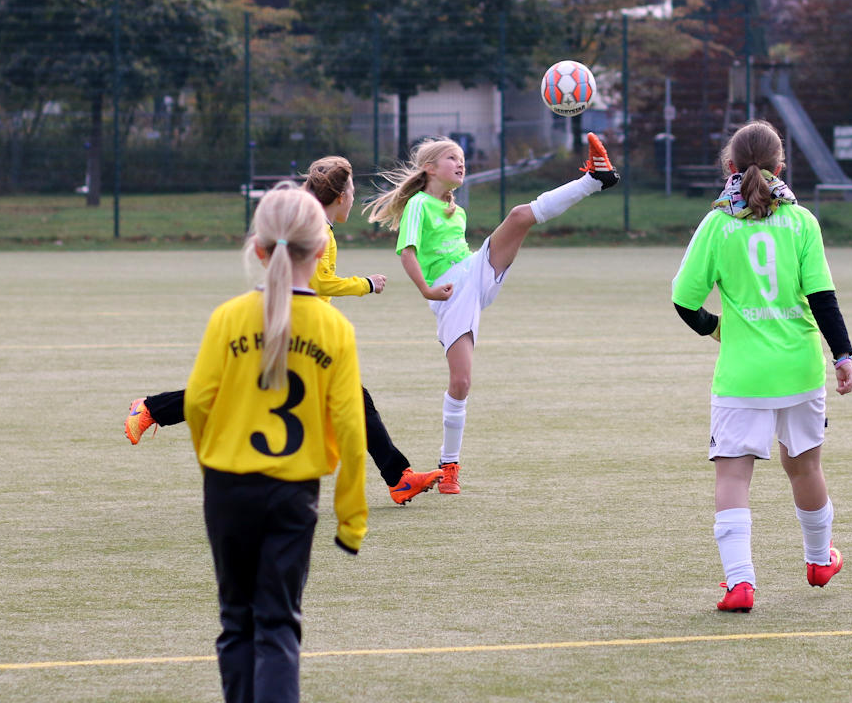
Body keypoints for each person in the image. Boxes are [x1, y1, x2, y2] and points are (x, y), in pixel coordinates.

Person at [125, 156, 444, 506]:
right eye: (352, 191)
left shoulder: (315, 223)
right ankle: (153, 409)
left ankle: (399, 478)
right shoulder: (318, 229)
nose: (354, 198)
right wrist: (365, 284)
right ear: (340, 197)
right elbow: (319, 280)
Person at [185, 183, 367, 703]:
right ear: (320, 250)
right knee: (278, 625)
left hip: (228, 486)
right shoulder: (335, 329)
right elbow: (352, 430)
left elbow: (198, 402)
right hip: (293, 492)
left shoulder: (228, 318)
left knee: (235, 622)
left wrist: (215, 460)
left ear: (260, 250)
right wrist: (351, 518)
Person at [364, 134, 619, 494]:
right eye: (452, 157)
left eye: (462, 158)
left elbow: (456, 252)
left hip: (471, 274)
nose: (461, 163)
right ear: (430, 168)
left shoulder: (458, 210)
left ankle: (594, 180)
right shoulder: (419, 204)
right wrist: (426, 290)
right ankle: (448, 464)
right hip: (450, 292)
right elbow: (407, 253)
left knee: (518, 216)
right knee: (461, 383)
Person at [671, 120, 852, 613]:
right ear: (781, 166)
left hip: (742, 375)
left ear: (729, 167)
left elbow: (683, 299)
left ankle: (740, 584)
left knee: (733, 478)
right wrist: (842, 354)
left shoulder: (716, 223)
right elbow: (822, 297)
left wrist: (720, 330)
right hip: (798, 369)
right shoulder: (801, 222)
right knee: (805, 467)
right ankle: (819, 561)